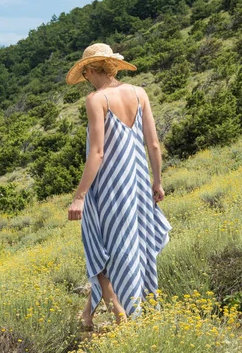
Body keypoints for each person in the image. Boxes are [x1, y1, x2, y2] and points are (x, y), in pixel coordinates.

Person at [65, 43, 172, 331]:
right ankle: (92, 315)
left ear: (88, 70)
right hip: (137, 185)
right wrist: (158, 181)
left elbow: (97, 153)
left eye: (85, 71)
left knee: (97, 247)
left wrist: (79, 197)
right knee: (128, 247)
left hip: (108, 189)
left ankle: (121, 314)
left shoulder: (96, 99)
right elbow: (153, 143)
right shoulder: (139, 93)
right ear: (112, 66)